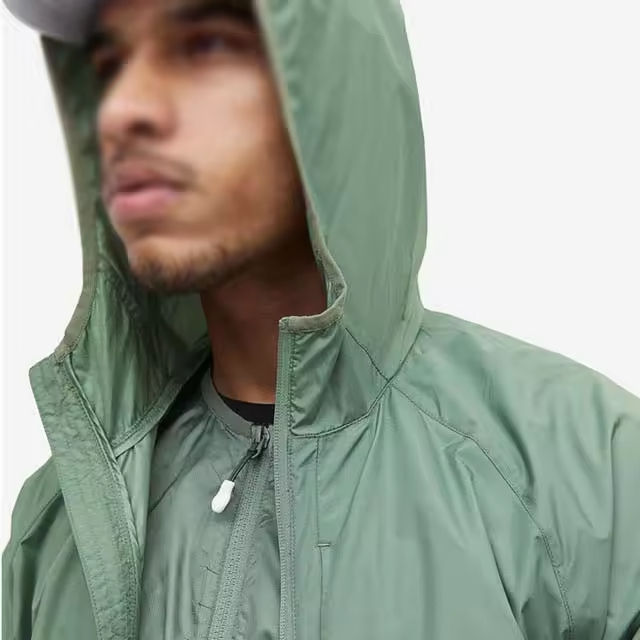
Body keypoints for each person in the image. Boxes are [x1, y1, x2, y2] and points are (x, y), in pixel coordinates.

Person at [2, 0, 639, 638]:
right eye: (108, 63)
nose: (122, 110)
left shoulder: (590, 475)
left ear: (338, 86)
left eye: (205, 45)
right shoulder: (61, 521)